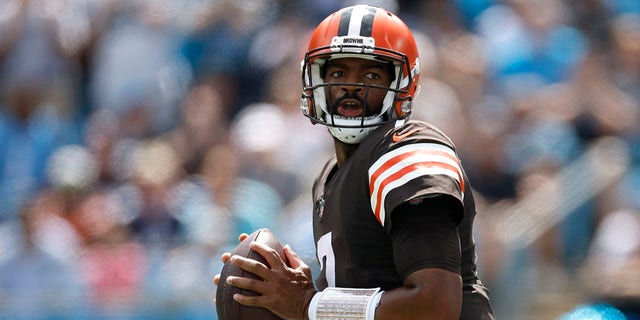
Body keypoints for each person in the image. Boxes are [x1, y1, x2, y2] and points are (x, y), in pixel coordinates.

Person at [214, 5, 495, 319]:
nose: (351, 85)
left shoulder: (408, 150)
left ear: (403, 84)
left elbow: (436, 305)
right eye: (337, 72)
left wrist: (307, 303)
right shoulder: (329, 176)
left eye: (371, 73)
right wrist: (292, 293)